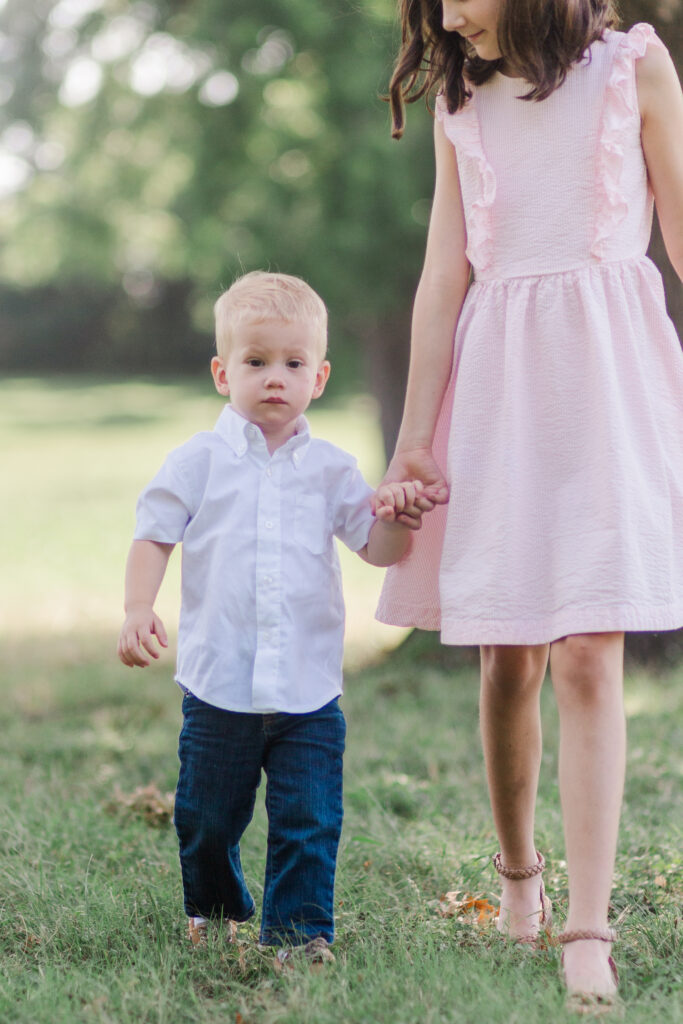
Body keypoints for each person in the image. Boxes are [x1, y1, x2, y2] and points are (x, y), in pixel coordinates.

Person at [376, 0, 683, 1012]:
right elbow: (439, 276)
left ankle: (587, 925)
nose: (447, 15)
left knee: (588, 646)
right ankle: (518, 874)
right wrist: (413, 436)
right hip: (499, 382)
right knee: (508, 652)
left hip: (607, 379)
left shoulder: (630, 70)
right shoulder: (459, 104)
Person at [117, 270, 436, 963]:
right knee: (206, 818)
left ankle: (297, 934)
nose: (274, 378)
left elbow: (375, 548)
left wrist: (399, 520)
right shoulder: (197, 461)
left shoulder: (330, 468)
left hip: (308, 689)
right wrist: (137, 606)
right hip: (218, 685)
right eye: (255, 362)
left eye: (292, 364)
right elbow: (154, 534)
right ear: (220, 371)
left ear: (318, 378)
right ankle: (214, 904)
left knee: (308, 818)